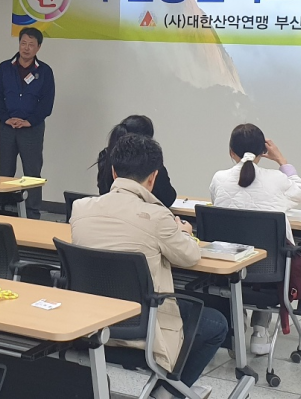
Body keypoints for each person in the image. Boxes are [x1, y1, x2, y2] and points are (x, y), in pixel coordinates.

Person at [70, 134, 226, 398]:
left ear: (113, 171)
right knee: (216, 323)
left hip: (91, 322)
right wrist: (185, 233)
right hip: (142, 326)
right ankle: (167, 391)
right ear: (153, 177)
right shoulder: (157, 217)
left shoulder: (80, 209)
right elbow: (190, 257)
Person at [209, 123, 301, 356]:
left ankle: (236, 324)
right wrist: (281, 159)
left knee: (240, 257)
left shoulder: (219, 179)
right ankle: (260, 331)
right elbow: (300, 192)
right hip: (269, 271)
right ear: (263, 151)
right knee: (270, 251)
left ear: (231, 151)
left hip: (229, 265)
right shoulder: (277, 179)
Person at [0, 27, 54, 218]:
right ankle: (4, 210)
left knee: (32, 172)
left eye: (31, 44)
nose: (26, 48)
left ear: (38, 47)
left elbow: (47, 103)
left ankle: (32, 212)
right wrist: (5, 118)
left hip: (32, 129)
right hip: (7, 127)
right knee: (5, 171)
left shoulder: (44, 71)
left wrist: (29, 121)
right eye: (23, 43)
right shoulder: (5, 67)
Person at [94, 115, 177, 207]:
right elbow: (167, 198)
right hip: (142, 212)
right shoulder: (149, 162)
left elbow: (103, 191)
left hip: (109, 210)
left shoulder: (105, 155)